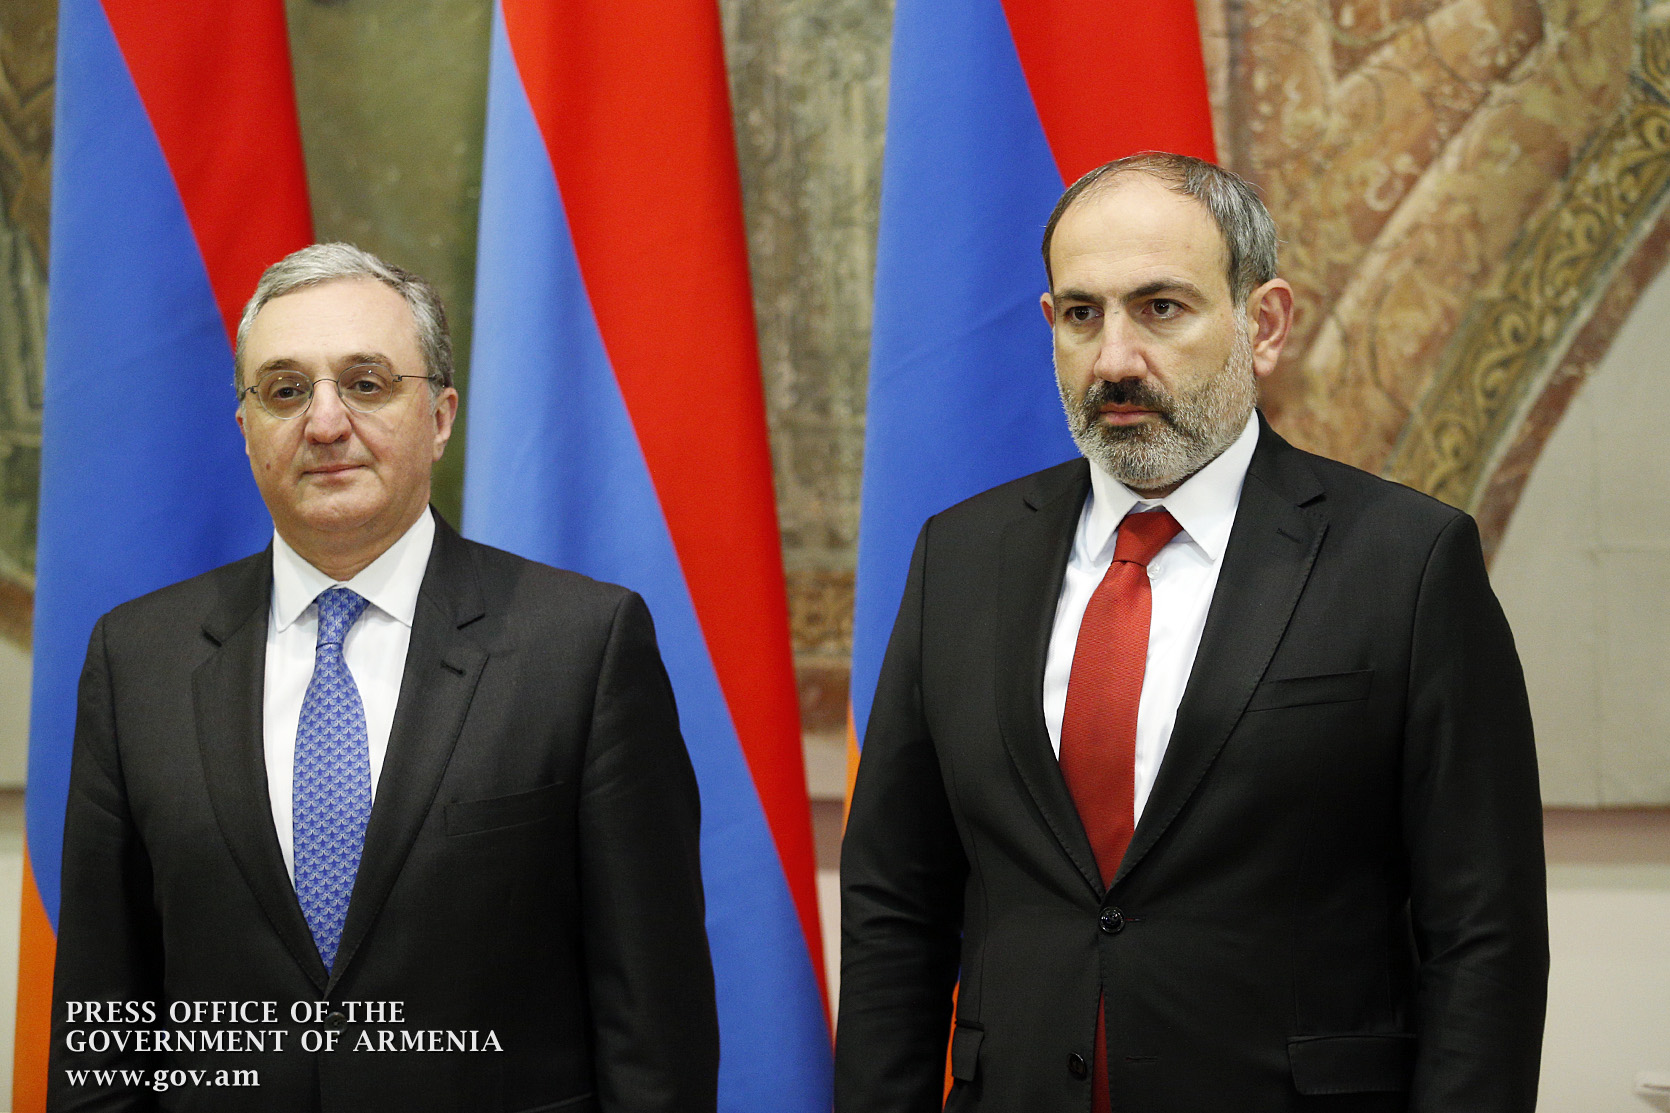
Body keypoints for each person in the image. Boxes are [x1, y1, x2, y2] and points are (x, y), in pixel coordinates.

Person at [836, 154, 1548, 1113]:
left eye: (1161, 308)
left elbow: (1484, 933)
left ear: (1264, 324)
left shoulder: (1406, 562)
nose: (1115, 360)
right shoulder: (961, 557)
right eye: (1082, 315)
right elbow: (896, 905)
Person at [48, 243, 718, 1112]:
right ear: (246, 427)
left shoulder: (582, 647)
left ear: (440, 417)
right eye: (285, 390)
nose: (325, 422)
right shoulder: (137, 659)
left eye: (366, 383)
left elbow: (655, 1031)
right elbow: (103, 1024)